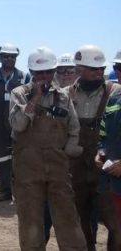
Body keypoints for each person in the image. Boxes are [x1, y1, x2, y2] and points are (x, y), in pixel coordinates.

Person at [9, 47, 86, 250]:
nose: (43, 76)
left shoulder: (63, 97)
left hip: (58, 169)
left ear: (53, 72)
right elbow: (18, 125)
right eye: (38, 72)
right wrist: (34, 99)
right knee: (30, 221)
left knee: (67, 218)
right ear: (31, 72)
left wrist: (64, 154)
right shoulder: (19, 94)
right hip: (28, 169)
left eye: (47, 72)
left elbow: (74, 130)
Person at [67, 45, 121, 250]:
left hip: (106, 169)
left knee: (115, 221)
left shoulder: (115, 92)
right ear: (79, 70)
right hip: (76, 166)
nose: (99, 72)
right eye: (93, 69)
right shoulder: (66, 95)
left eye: (101, 69)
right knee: (80, 220)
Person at [0, 42, 29, 203]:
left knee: (20, 157)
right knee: (0, 157)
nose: (9, 59)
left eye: (12, 56)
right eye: (5, 56)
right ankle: (5, 191)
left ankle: (20, 193)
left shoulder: (24, 77)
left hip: (18, 122)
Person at [98, 87, 121, 227]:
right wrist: (101, 150)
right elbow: (103, 132)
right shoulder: (114, 99)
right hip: (116, 182)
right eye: (117, 68)